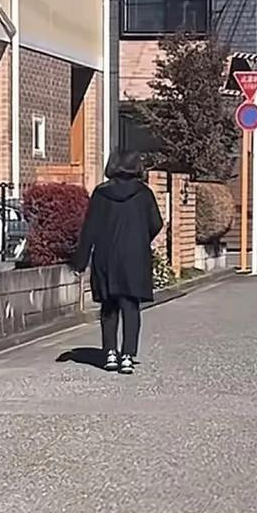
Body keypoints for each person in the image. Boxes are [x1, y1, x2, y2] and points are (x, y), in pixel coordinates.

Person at [72, 150, 163, 375]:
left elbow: (90, 228)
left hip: (106, 255)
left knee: (109, 305)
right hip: (134, 256)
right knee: (130, 306)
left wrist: (80, 261)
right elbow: (156, 223)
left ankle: (110, 353)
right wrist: (140, 239)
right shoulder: (144, 193)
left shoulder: (101, 193)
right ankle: (128, 356)